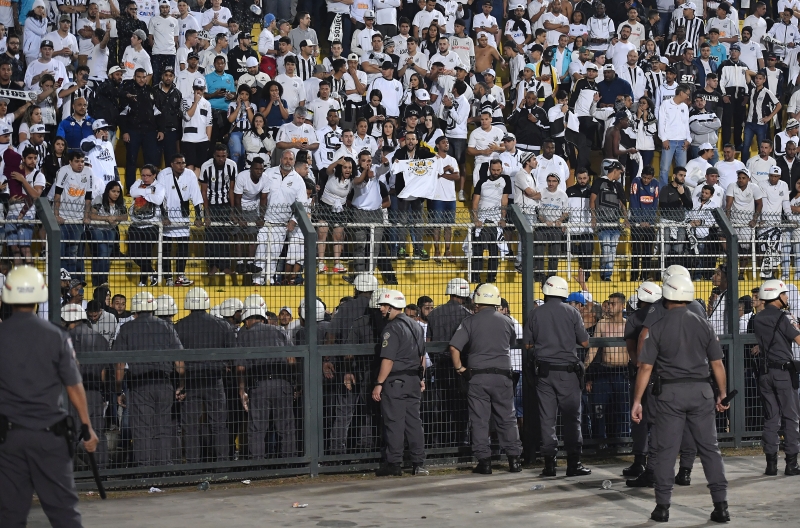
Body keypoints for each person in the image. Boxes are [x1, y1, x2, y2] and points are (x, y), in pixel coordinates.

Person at [0, 266, 99, 526]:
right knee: (64, 513)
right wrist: (87, 427)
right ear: (40, 295)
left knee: (10, 515)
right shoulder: (55, 335)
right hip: (49, 435)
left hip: (8, 438)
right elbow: (74, 385)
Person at [631, 274, 730, 523]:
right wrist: (722, 394)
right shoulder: (703, 324)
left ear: (666, 296)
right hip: (701, 392)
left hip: (670, 394)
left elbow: (645, 367)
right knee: (710, 450)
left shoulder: (659, 326)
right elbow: (717, 364)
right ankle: (721, 506)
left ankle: (662, 508)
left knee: (666, 451)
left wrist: (637, 401)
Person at [449, 283, 522, 474]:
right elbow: (511, 343)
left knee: (480, 420)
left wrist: (460, 368)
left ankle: (484, 462)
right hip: (503, 376)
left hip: (478, 376)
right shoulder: (507, 321)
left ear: (477, 301)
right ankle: (514, 460)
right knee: (507, 418)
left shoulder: (469, 322)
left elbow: (454, 347)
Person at [524, 275, 591, 477]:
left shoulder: (535, 314)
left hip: (544, 373)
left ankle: (549, 465)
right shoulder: (572, 312)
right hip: (568, 374)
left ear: (545, 291)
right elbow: (585, 342)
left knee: (547, 419)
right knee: (572, 419)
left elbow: (527, 345)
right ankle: (573, 463)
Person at [113, 291, 185, 467]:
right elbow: (180, 361)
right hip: (164, 382)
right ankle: (164, 467)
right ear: (153, 309)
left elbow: (119, 365)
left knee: (142, 429)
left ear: (135, 310)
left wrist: (118, 390)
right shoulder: (167, 327)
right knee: (163, 427)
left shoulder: (126, 328)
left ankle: (145, 470)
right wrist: (182, 384)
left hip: (140, 384)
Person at [174, 287, 234, 465]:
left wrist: (181, 384)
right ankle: (222, 463)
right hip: (214, 379)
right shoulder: (223, 325)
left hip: (190, 381)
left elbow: (176, 360)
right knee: (218, 424)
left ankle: (193, 465)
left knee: (190, 426)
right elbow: (231, 355)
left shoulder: (179, 326)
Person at [371, 289, 427, 477]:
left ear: (392, 306)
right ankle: (418, 463)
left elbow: (388, 360)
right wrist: (422, 378)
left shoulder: (392, 328)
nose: (381, 309)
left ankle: (394, 463)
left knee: (394, 422)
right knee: (414, 422)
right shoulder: (416, 326)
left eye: (384, 305)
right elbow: (422, 358)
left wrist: (379, 383)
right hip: (413, 380)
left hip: (396, 381)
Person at [235, 298, 296, 459]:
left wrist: (242, 390)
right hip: (282, 383)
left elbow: (241, 366)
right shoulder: (279, 331)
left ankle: (257, 466)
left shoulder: (244, 336)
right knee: (286, 427)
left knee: (257, 429)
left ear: (247, 319)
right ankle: (289, 464)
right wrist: (293, 384)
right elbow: (292, 360)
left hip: (259, 386)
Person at [752, 279, 800, 476]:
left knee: (771, 418)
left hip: (765, 373)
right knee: (790, 417)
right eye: (785, 294)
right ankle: (791, 464)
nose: (787, 297)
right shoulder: (784, 317)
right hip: (783, 372)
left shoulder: (758, 318)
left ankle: (771, 464)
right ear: (777, 296)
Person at [620, 281, 662, 480]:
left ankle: (640, 461)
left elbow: (631, 348)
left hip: (642, 373)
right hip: (661, 373)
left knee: (639, 418)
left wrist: (639, 368)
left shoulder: (634, 319)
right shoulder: (664, 315)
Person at [157, 152, 204, 286]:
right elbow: (160, 197)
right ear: (171, 164)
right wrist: (164, 216)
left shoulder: (190, 175)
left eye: (183, 163)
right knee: (166, 248)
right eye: (178, 163)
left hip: (183, 218)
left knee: (183, 248)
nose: (181, 166)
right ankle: (168, 277)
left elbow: (196, 197)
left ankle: (180, 275)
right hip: (167, 217)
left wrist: (198, 217)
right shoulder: (163, 174)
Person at [470, 158, 510, 284]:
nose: (496, 172)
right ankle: (475, 277)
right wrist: (475, 219)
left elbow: (504, 200)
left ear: (502, 169)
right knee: (477, 250)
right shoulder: (482, 181)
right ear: (489, 169)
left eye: (498, 170)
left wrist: (502, 218)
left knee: (494, 251)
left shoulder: (506, 180)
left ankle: (491, 278)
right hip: (481, 220)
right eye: (493, 170)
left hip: (495, 220)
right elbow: (475, 202)